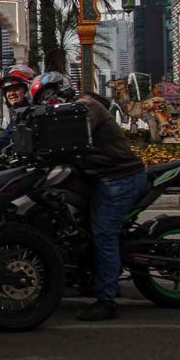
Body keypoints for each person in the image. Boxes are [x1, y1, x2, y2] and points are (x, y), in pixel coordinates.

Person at [30, 72, 145, 322]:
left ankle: (107, 300)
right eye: (42, 99)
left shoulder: (85, 107)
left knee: (103, 233)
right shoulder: (66, 111)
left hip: (118, 177)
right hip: (96, 176)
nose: (47, 102)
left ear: (61, 89)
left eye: (49, 94)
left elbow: (68, 140)